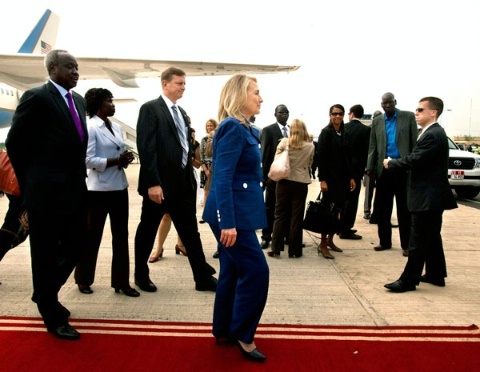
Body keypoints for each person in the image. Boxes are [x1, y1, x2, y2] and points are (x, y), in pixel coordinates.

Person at [6, 49, 88, 340]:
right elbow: (16, 144)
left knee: (78, 244)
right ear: (53, 69)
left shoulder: (77, 100)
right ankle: (52, 315)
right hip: (44, 193)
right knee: (43, 253)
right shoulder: (37, 97)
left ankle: (43, 293)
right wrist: (32, 184)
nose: (76, 71)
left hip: (75, 191)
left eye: (77, 67)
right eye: (70, 67)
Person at [202, 74, 269, 362]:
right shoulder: (232, 128)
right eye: (255, 92)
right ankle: (244, 334)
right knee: (257, 272)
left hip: (239, 213)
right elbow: (223, 177)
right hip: (231, 216)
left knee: (231, 270)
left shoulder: (246, 128)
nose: (260, 97)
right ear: (240, 95)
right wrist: (227, 221)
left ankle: (224, 329)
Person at [134, 66, 217, 293]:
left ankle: (202, 277)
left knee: (191, 232)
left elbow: (185, 146)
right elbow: (146, 148)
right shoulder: (151, 109)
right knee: (148, 230)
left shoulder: (181, 113)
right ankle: (141, 274)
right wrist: (153, 182)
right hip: (159, 185)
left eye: (184, 83)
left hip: (182, 185)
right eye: (179, 83)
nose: (183, 87)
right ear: (165, 84)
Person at [384, 97, 457, 292]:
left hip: (427, 196)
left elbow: (416, 160)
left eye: (420, 110)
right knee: (432, 236)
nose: (416, 113)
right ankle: (436, 274)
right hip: (431, 195)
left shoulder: (433, 134)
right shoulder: (430, 132)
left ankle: (408, 280)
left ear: (433, 112)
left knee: (417, 240)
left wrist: (392, 163)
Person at [73, 88, 139, 297]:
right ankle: (83, 278)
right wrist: (115, 161)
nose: (113, 104)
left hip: (119, 188)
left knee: (121, 237)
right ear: (98, 105)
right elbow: (87, 160)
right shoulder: (91, 127)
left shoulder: (117, 127)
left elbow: (117, 152)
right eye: (109, 101)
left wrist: (124, 160)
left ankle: (121, 282)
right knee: (93, 236)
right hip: (98, 191)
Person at [366, 93, 417, 257]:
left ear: (395, 102)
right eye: (384, 103)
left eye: (390, 102)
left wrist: (413, 165)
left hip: (402, 168)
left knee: (404, 209)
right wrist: (370, 168)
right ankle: (385, 242)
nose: (387, 105)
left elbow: (414, 143)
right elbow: (373, 147)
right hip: (384, 170)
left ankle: (406, 245)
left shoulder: (407, 117)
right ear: (381, 105)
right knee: (383, 208)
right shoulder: (377, 121)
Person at [148, 128, 200, 262]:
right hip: (169, 182)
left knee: (186, 215)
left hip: (187, 182)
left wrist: (193, 159)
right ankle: (159, 247)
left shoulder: (194, 143)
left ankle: (181, 244)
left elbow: (198, 164)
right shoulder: (168, 140)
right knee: (166, 215)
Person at [267, 119, 314, 258]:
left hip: (284, 181)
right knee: (297, 217)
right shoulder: (310, 146)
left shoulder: (284, 143)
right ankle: (295, 250)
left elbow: (277, 160)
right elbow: (310, 163)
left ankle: (276, 248)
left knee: (280, 214)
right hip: (300, 182)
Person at [316, 104, 355, 259]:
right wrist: (322, 179)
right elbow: (321, 157)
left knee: (338, 211)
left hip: (343, 180)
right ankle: (323, 243)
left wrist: (351, 177)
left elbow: (348, 157)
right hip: (330, 180)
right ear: (330, 115)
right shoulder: (326, 133)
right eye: (334, 114)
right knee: (327, 212)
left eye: (340, 114)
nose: (337, 116)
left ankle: (331, 240)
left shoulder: (344, 133)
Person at [260, 104, 290, 249]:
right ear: (275, 114)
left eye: (286, 112)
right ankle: (266, 236)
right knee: (270, 207)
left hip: (289, 177)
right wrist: (266, 177)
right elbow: (265, 154)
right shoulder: (268, 130)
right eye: (281, 112)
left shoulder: (292, 131)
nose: (284, 115)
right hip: (274, 176)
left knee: (287, 208)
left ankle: (286, 236)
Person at [339, 105, 371, 240]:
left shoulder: (343, 128)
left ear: (351, 114)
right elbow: (367, 152)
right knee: (352, 201)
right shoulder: (366, 130)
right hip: (356, 172)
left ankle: (339, 226)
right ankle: (345, 229)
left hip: (341, 171)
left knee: (341, 201)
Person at [363, 110, 382, 220]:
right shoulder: (368, 129)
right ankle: (367, 210)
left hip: (381, 165)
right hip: (370, 164)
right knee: (369, 189)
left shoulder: (384, 129)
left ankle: (376, 212)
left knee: (380, 190)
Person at [199, 119, 218, 211]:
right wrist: (205, 170)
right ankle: (205, 212)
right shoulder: (204, 139)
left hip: (216, 166)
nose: (209, 127)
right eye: (208, 126)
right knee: (206, 191)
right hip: (206, 166)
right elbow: (202, 156)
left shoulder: (218, 138)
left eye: (211, 125)